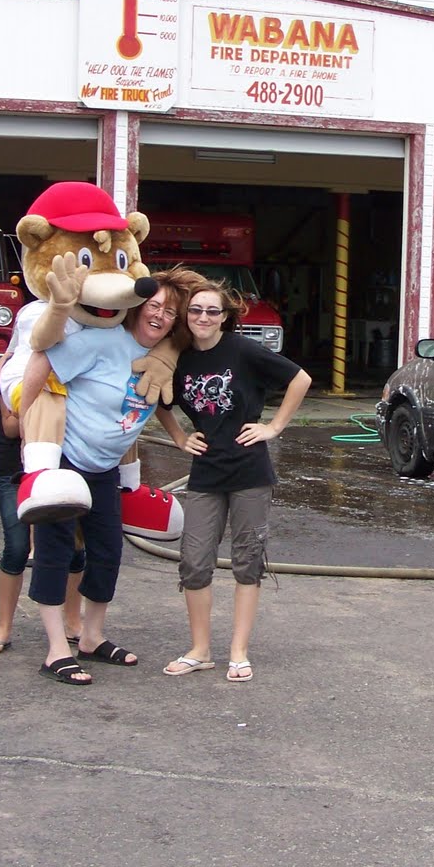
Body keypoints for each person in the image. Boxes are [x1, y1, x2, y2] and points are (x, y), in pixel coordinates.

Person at [28, 272, 190, 685]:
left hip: (105, 470)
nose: (160, 315)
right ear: (138, 307)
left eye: (170, 311)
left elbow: (163, 402)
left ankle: (91, 636)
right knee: (56, 552)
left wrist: (180, 436)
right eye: (154, 306)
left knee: (107, 553)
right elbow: (45, 357)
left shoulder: (165, 357)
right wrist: (15, 410)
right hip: (65, 462)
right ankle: (55, 650)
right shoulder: (102, 342)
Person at [157, 281, 312, 683]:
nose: (203, 318)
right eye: (195, 311)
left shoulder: (242, 351)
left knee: (247, 562)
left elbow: (300, 379)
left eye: (212, 311)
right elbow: (156, 399)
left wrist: (273, 427)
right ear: (185, 316)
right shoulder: (179, 357)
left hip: (249, 472)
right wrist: (178, 436)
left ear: (225, 316)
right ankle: (200, 650)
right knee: (193, 562)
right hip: (206, 472)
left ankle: (238, 652)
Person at [0, 344, 84, 657]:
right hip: (15, 467)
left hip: (63, 462)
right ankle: (4, 627)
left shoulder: (72, 360)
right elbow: (10, 425)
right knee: (17, 546)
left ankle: (73, 620)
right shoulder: (13, 364)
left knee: (76, 546)